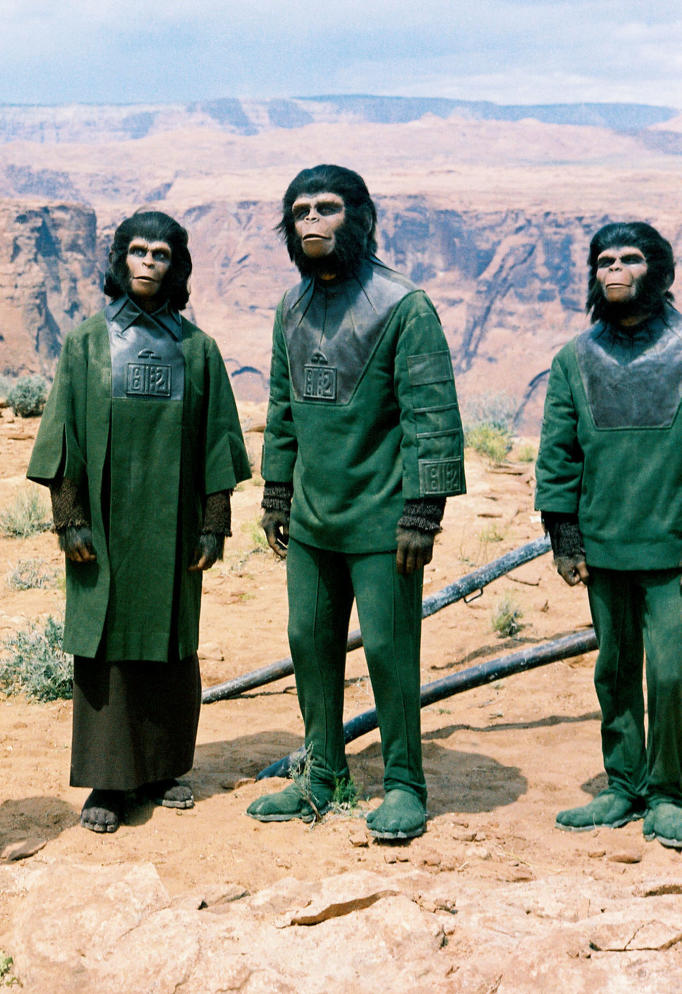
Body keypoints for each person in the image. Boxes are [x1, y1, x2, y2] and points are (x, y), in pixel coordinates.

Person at [247, 165, 465, 841]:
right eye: (301, 209)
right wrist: (277, 490)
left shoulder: (405, 307)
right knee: (308, 643)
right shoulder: (292, 307)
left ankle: (404, 782)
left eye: (328, 207)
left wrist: (422, 511)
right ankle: (322, 774)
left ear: (360, 217)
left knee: (389, 652)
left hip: (383, 520)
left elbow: (431, 415)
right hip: (313, 521)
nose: (312, 220)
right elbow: (282, 408)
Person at [27, 210, 250, 834]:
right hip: (102, 523)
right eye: (137, 251)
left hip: (173, 525)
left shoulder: (197, 350)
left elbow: (217, 443)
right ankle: (108, 779)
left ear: (177, 266)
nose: (148, 262)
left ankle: (163, 768)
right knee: (106, 646)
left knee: (172, 640)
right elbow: (64, 434)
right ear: (119, 259)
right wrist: (69, 518)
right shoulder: (86, 343)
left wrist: (213, 523)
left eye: (160, 253)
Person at [536, 221, 682, 848]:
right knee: (615, 670)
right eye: (603, 261)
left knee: (673, 674)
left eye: (630, 259)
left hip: (674, 548)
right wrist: (564, 535)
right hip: (604, 544)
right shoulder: (574, 358)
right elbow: (559, 455)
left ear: (660, 270)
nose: (614, 270)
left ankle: (671, 790)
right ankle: (623, 784)